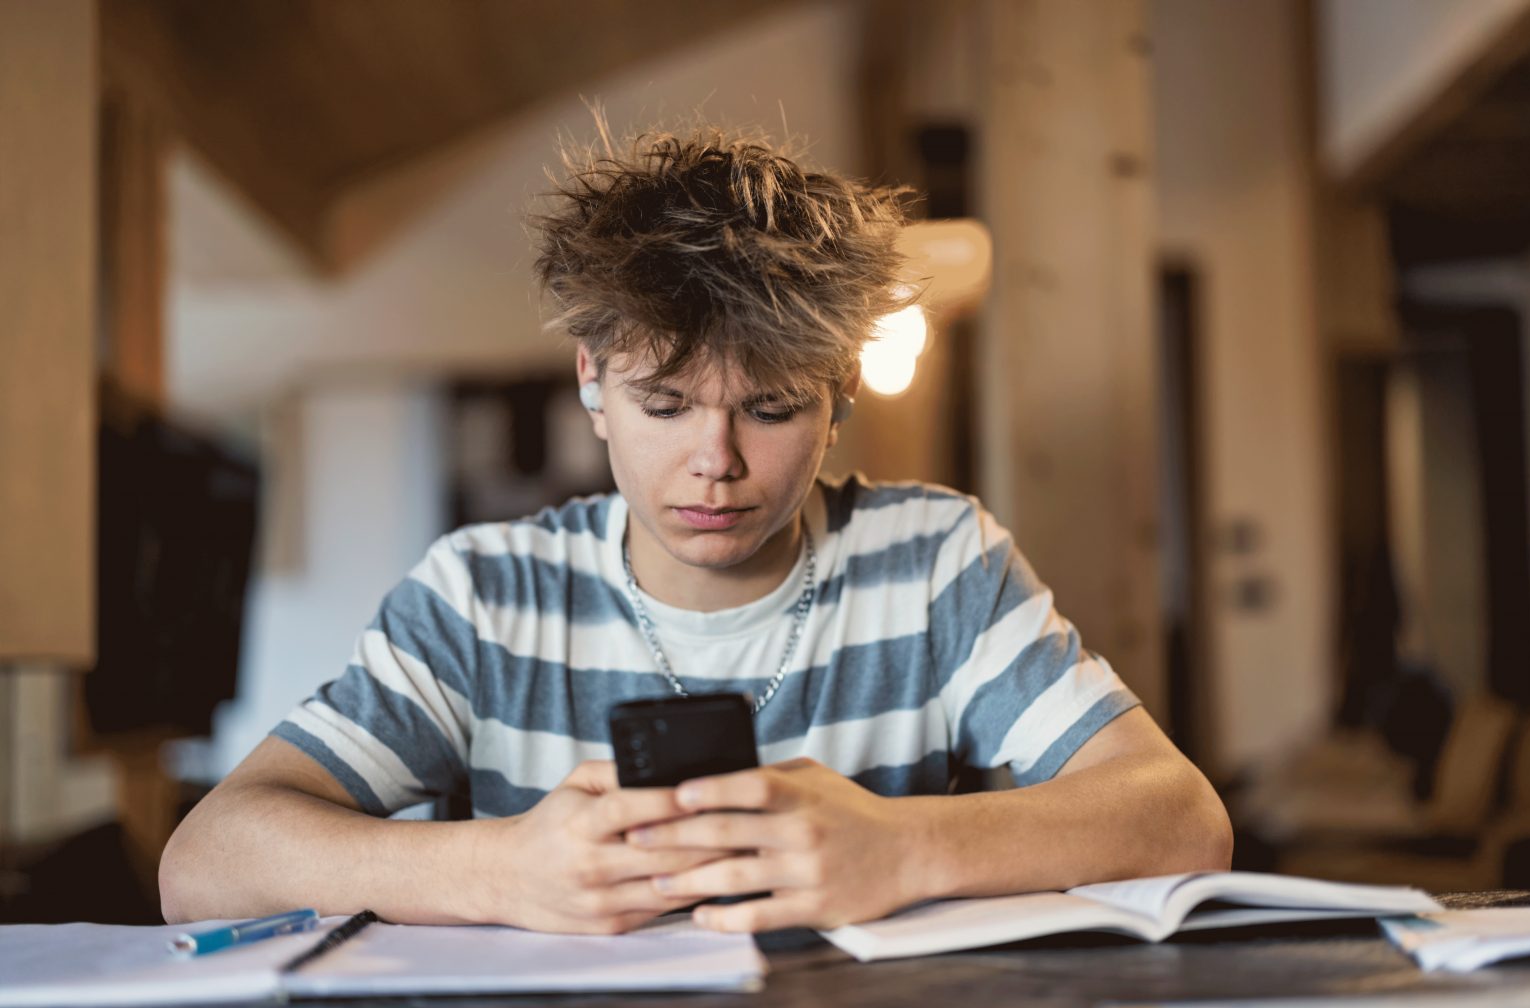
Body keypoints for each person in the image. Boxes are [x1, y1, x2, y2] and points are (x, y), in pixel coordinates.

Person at [160, 127, 1231, 935]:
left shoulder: (934, 560)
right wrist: (496, 870)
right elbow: (203, 862)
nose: (714, 462)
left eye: (770, 410)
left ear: (839, 389)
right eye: (664, 406)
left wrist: (900, 847)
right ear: (591, 377)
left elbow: (1181, 819)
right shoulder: (482, 594)